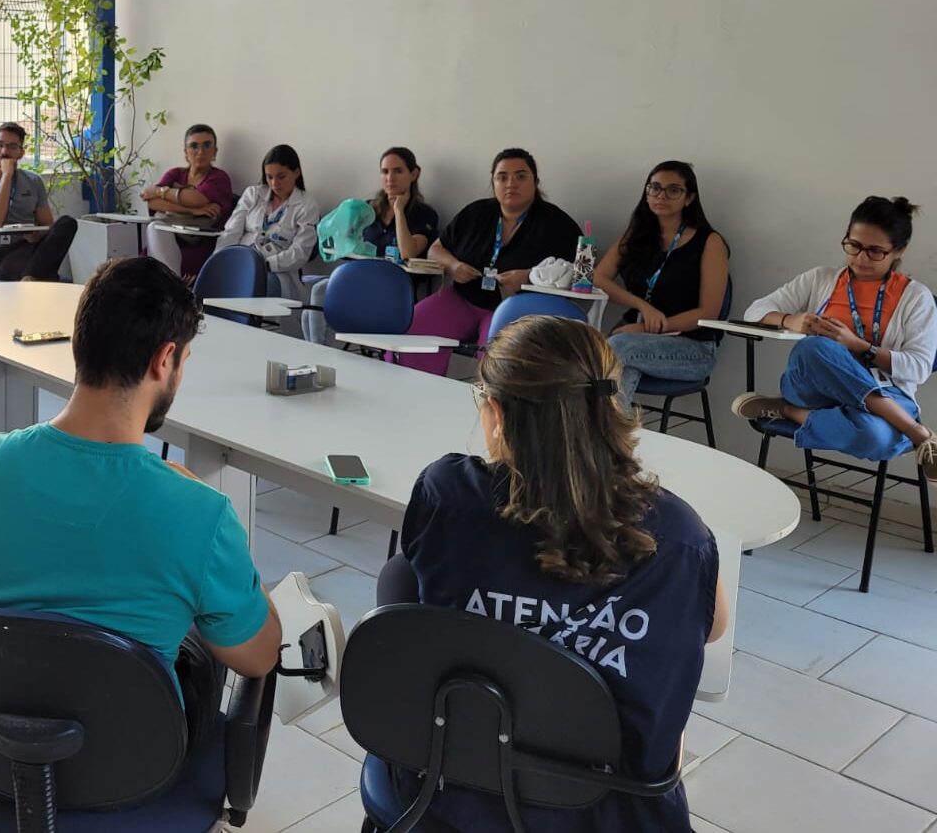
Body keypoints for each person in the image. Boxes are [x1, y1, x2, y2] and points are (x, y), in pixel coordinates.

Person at [376, 315, 728, 832]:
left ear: (494, 412)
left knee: (399, 579)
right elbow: (713, 626)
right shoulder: (677, 535)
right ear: (610, 407)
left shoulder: (448, 495)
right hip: (615, 810)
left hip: (455, 794)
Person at [0, 256, 281, 743]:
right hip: (136, 767)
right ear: (165, 360)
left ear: (79, 343)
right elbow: (259, 655)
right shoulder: (199, 513)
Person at [733, 196, 937, 476]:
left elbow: (919, 368)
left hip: (889, 393)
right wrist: (791, 320)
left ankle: (787, 410)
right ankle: (915, 430)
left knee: (876, 438)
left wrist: (859, 347)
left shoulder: (916, 297)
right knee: (814, 348)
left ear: (899, 250)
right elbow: (754, 311)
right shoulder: (821, 279)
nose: (861, 258)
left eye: (875, 251)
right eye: (854, 246)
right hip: (813, 390)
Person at [398, 148, 582, 376]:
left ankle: (490, 408)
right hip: (463, 300)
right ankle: (418, 397)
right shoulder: (476, 213)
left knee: (497, 354)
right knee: (413, 327)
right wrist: (454, 266)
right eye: (502, 177)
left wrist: (529, 278)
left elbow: (579, 276)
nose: (510, 183)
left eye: (520, 176)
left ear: (536, 181)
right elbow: (435, 250)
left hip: (517, 310)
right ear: (493, 182)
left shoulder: (557, 224)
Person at [593, 161, 730, 405]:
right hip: (633, 340)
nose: (661, 195)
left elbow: (709, 312)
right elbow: (600, 279)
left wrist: (649, 327)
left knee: (616, 350)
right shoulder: (636, 234)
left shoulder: (709, 242)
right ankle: (612, 435)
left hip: (692, 349)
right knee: (602, 360)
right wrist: (643, 307)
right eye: (654, 188)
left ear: (688, 198)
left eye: (673, 190)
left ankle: (605, 436)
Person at [302, 147, 440, 344]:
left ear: (414, 174)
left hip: (394, 287)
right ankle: (319, 350)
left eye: (398, 171)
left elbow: (408, 252)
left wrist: (399, 211)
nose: (390, 178)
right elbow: (341, 243)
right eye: (385, 172)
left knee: (322, 292)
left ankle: (320, 350)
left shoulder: (423, 214)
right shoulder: (367, 209)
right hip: (360, 277)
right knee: (318, 294)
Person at [0, 122, 79, 281]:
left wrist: (36, 234)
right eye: (0, 145)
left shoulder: (33, 180)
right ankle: (35, 277)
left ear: (21, 153)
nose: (4, 151)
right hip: (2, 254)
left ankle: (30, 277)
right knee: (48, 273)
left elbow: (47, 225)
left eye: (12, 147)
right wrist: (7, 176)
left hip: (32, 247)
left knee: (67, 223)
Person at [216, 144, 320, 302]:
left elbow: (300, 253)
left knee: (257, 287)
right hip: (241, 260)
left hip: (276, 270)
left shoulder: (307, 206)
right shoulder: (253, 194)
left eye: (281, 176)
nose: (274, 184)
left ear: (296, 173)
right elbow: (231, 232)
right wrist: (220, 259)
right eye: (269, 177)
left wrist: (264, 265)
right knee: (217, 279)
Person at [140, 124, 234, 280]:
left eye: (207, 145)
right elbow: (152, 203)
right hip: (169, 235)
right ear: (185, 152)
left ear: (215, 151)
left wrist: (160, 191)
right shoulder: (175, 174)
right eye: (194, 146)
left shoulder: (219, 178)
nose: (200, 152)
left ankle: (172, 289)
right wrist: (191, 211)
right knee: (155, 228)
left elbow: (196, 199)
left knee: (156, 230)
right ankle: (173, 288)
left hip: (199, 242)